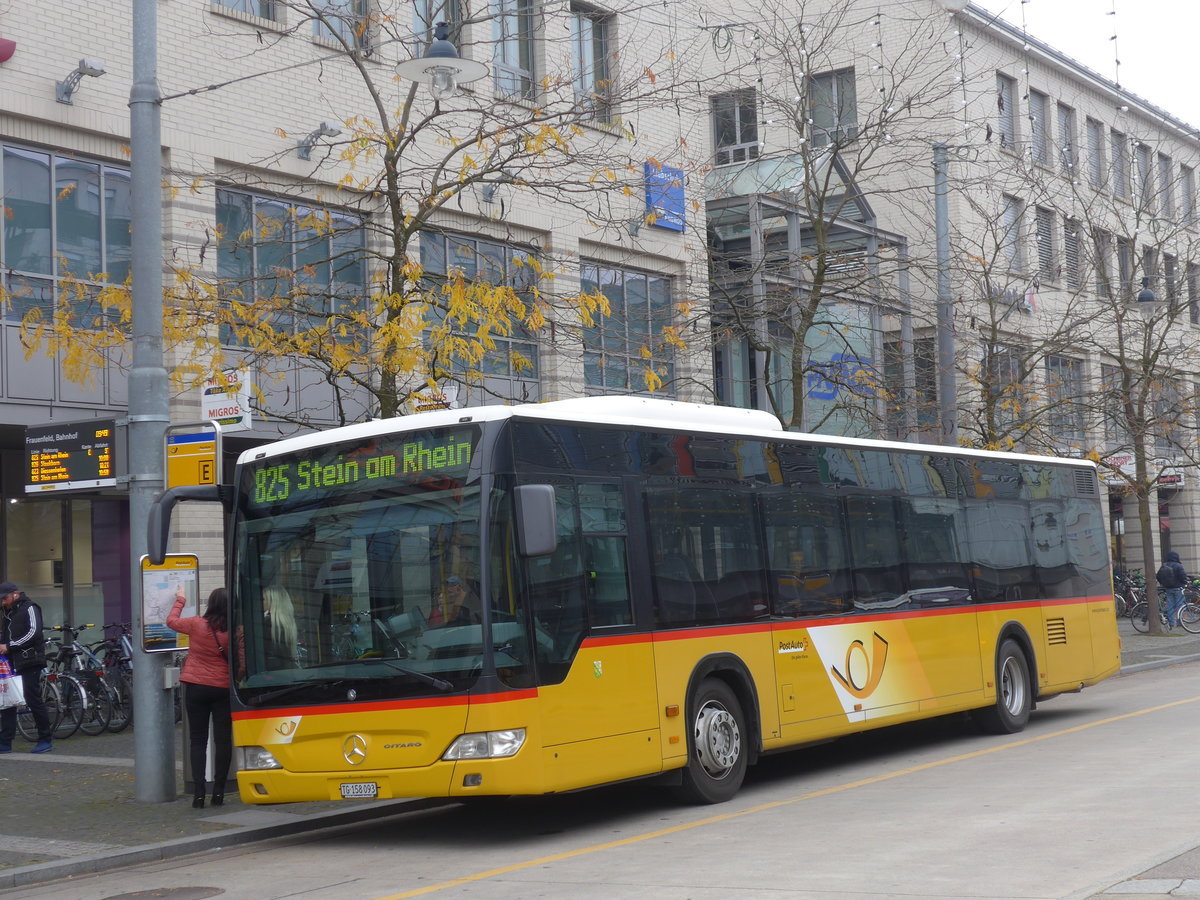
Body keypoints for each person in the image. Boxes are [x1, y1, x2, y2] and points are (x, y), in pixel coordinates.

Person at [167, 586, 232, 809]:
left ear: (210, 604)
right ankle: (220, 793)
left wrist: (180, 600)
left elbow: (171, 622)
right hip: (222, 688)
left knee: (198, 740)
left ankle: (199, 793)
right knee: (223, 741)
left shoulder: (196, 624)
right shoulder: (232, 630)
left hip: (196, 687)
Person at [0, 581, 52, 753]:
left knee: (32, 698)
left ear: (15, 594)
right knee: (8, 700)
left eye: (5, 598)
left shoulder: (30, 607)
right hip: (11, 661)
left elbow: (34, 632)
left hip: (30, 660)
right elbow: (5, 633)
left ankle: (45, 738)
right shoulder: (8, 612)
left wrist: (9, 646)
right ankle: (6, 741)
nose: (3, 602)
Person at [262, 584, 299, 667]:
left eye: (263, 599)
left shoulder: (269, 623)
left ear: (272, 602)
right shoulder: (287, 622)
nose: (261, 602)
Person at [1158, 551, 1189, 626]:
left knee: (1170, 606)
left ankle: (1172, 622)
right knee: (1180, 605)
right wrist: (1185, 582)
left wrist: (1163, 583)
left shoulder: (1164, 565)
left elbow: (1158, 576)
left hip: (1168, 588)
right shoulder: (1178, 566)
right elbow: (1183, 576)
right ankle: (1180, 622)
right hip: (1178, 588)